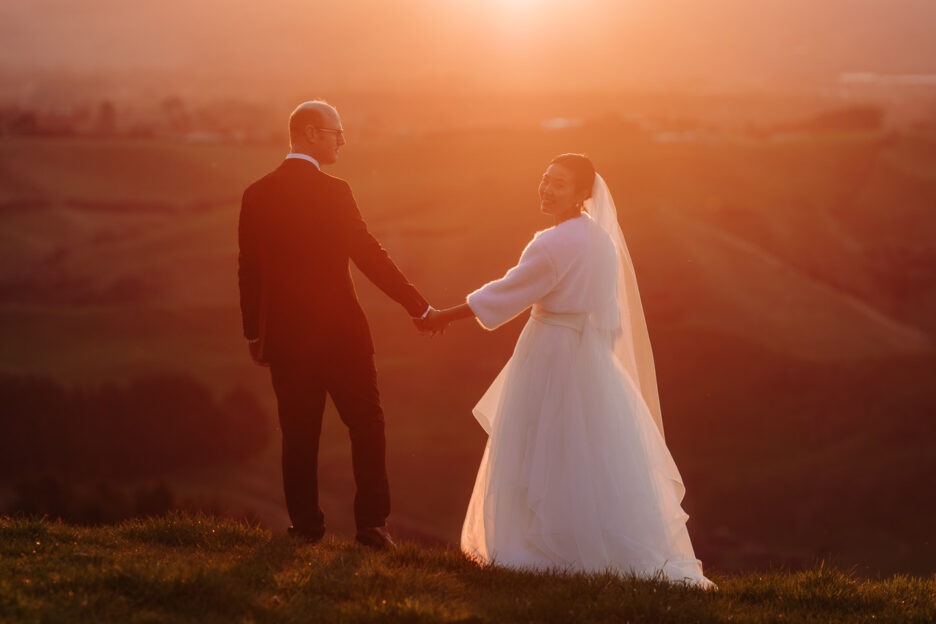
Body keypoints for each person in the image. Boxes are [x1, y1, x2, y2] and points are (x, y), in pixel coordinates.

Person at [425, 154, 715, 587]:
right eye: (544, 179)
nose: (546, 189)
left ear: (583, 193)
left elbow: (509, 292)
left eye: (558, 183)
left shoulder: (551, 242)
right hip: (591, 356)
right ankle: (589, 543)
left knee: (535, 444)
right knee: (586, 452)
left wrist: (443, 315)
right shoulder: (602, 240)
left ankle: (536, 546)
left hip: (550, 351)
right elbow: (608, 311)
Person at [238, 100, 434, 549]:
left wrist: (254, 333)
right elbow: (368, 255)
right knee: (367, 424)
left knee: (299, 434)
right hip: (342, 335)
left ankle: (305, 526)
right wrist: (417, 307)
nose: (342, 140)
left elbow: (248, 270)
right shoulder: (335, 192)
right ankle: (372, 526)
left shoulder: (256, 194)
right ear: (310, 132)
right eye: (335, 132)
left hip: (286, 340)